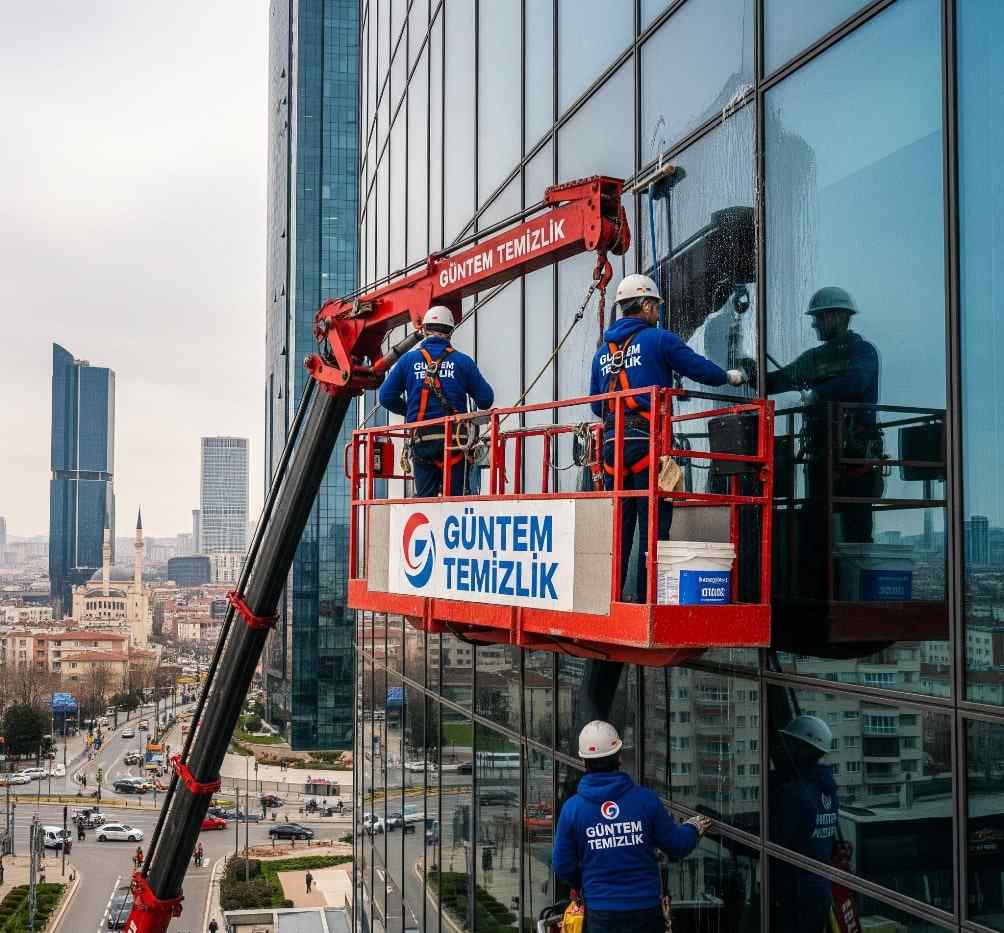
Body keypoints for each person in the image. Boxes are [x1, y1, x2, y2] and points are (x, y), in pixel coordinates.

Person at [589, 274, 747, 601]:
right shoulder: (660, 340)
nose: (657, 313)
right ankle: (648, 601)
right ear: (646, 304)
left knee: (622, 530)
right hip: (648, 443)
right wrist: (730, 376)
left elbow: (595, 404)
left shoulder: (602, 353)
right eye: (656, 306)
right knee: (653, 530)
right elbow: (698, 368)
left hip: (612, 448)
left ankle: (614, 601)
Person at [552, 721, 710, 933]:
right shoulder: (645, 800)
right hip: (644, 913)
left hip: (601, 915)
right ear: (619, 757)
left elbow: (562, 865)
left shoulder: (573, 809)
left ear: (584, 761)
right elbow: (677, 845)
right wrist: (693, 827)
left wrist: (586, 883)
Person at [766, 286, 881, 545]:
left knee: (856, 531)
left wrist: (818, 394)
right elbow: (779, 381)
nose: (815, 325)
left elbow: (857, 381)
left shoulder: (863, 352)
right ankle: (824, 582)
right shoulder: (815, 358)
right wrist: (751, 373)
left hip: (854, 458)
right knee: (816, 529)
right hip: (822, 458)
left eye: (819, 318)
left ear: (837, 316)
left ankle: (850, 582)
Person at [379, 305, 495, 497]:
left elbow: (386, 396)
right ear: (450, 331)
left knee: (425, 500)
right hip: (455, 442)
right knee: (456, 500)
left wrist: (409, 411)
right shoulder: (462, 362)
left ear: (424, 330)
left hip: (422, 440)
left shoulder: (408, 361)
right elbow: (485, 400)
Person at [769, 714, 839, 933]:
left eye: (790, 743)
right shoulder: (827, 790)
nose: (784, 749)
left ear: (804, 749)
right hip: (819, 890)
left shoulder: (794, 793)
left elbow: (775, 842)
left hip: (796, 893)